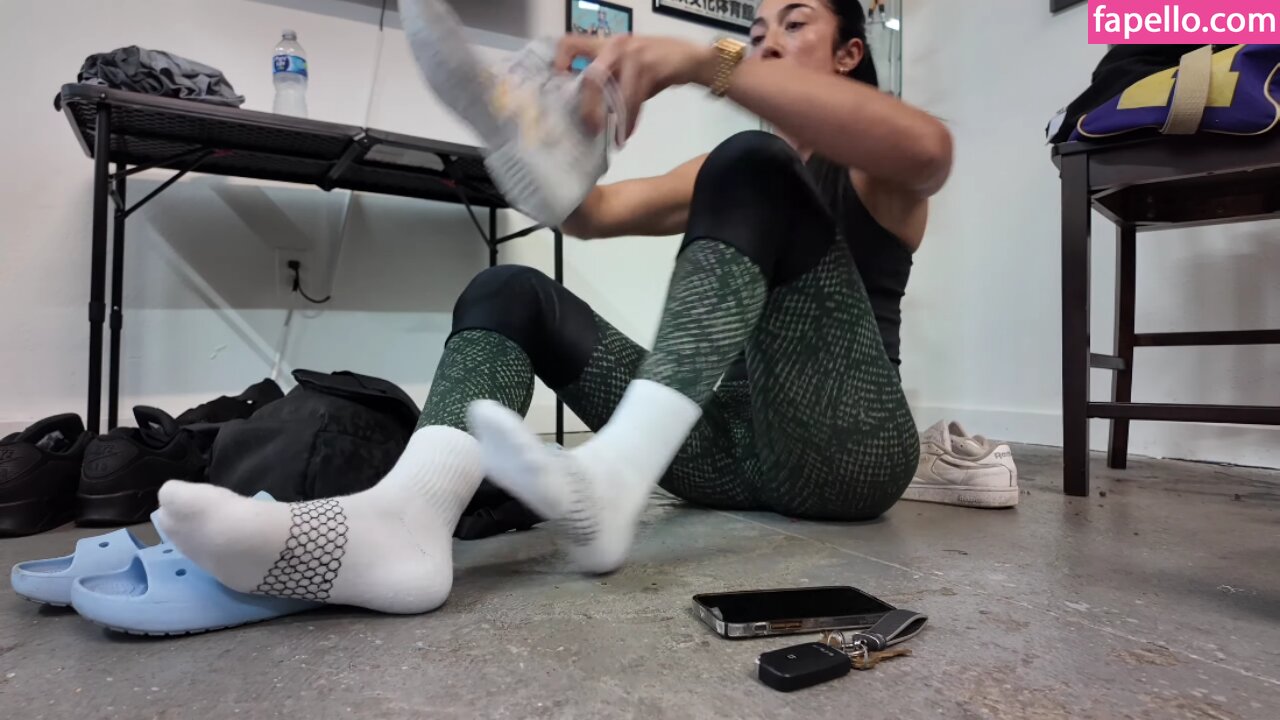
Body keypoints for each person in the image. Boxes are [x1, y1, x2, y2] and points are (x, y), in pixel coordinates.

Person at [154, 0, 953, 615]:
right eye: (754, 29)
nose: (765, 41)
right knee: (509, 291)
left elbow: (930, 149)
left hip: (850, 455)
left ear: (850, 53)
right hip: (726, 454)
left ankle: (612, 478)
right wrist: (546, 129)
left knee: (755, 162)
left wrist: (696, 61)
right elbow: (589, 214)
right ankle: (403, 524)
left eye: (795, 23)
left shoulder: (868, 169)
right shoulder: (730, 170)